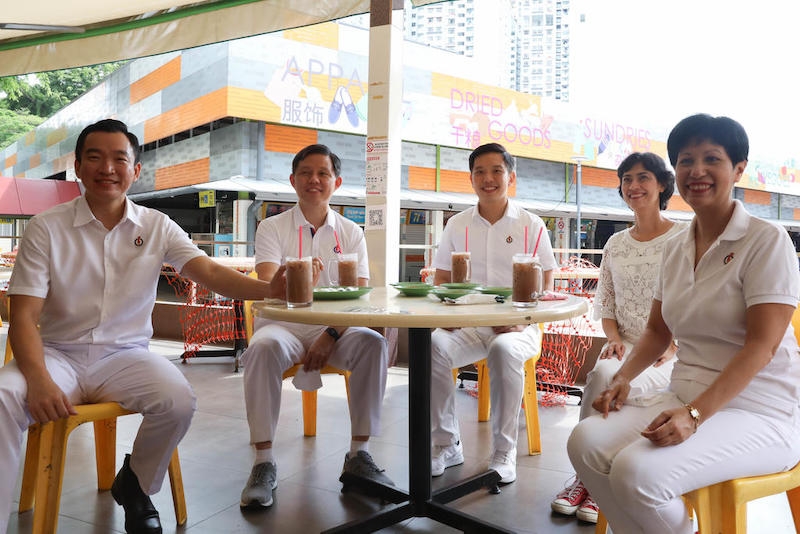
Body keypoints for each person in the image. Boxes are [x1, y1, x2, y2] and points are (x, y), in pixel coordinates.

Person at [0, 119, 272, 534]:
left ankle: (136, 484)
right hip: (57, 354)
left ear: (136, 170)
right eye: (95, 157)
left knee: (178, 400)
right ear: (77, 165)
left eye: (118, 159)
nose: (107, 168)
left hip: (125, 356)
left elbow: (210, 273)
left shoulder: (156, 225)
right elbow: (21, 316)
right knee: (3, 395)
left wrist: (268, 290)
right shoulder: (46, 227)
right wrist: (36, 378)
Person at [568, 114, 800, 534]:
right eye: (686, 159)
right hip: (682, 392)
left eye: (712, 158)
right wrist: (623, 378)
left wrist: (694, 415)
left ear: (739, 169)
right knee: (584, 443)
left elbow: (761, 347)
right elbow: (659, 331)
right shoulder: (676, 246)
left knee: (636, 474)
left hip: (760, 410)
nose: (697, 170)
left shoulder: (766, 240)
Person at [239, 144, 391, 509]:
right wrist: (300, 271)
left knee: (373, 342)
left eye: (323, 173)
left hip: (334, 328)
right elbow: (267, 281)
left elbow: (359, 297)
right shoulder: (271, 227)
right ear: (293, 180)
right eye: (306, 172)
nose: (314, 180)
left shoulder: (351, 233)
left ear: (336, 182)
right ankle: (263, 462)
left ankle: (359, 454)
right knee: (261, 348)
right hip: (284, 324)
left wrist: (331, 333)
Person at [551, 152, 685, 523]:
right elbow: (606, 302)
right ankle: (586, 476)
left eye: (643, 178)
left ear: (662, 185)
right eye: (626, 179)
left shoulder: (683, 238)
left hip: (671, 351)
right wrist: (612, 337)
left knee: (610, 379)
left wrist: (673, 344)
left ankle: (595, 481)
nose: (633, 186)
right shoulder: (616, 244)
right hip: (624, 342)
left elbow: (691, 302)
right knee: (602, 373)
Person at [429, 142, 557, 484]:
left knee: (503, 349)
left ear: (510, 177)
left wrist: (520, 320)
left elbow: (546, 283)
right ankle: (446, 443)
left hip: (521, 326)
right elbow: (442, 279)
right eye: (479, 172)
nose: (488, 179)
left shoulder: (532, 225)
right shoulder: (457, 225)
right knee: (434, 347)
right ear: (470, 179)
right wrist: (449, 313)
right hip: (469, 326)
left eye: (496, 171)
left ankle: (504, 451)